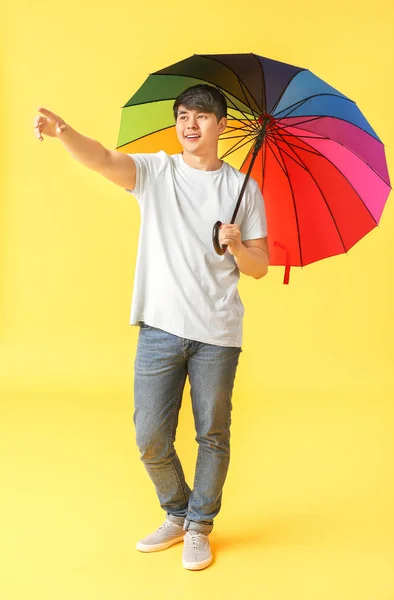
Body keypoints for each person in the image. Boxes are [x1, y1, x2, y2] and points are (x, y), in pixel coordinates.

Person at [34, 84, 269, 571]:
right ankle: (178, 511)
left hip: (218, 333)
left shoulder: (243, 189)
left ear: (221, 125)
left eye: (201, 117)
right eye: (183, 115)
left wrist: (236, 245)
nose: (189, 124)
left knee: (213, 435)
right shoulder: (157, 172)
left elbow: (261, 265)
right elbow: (101, 159)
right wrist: (63, 133)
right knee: (150, 437)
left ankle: (200, 526)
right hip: (160, 328)